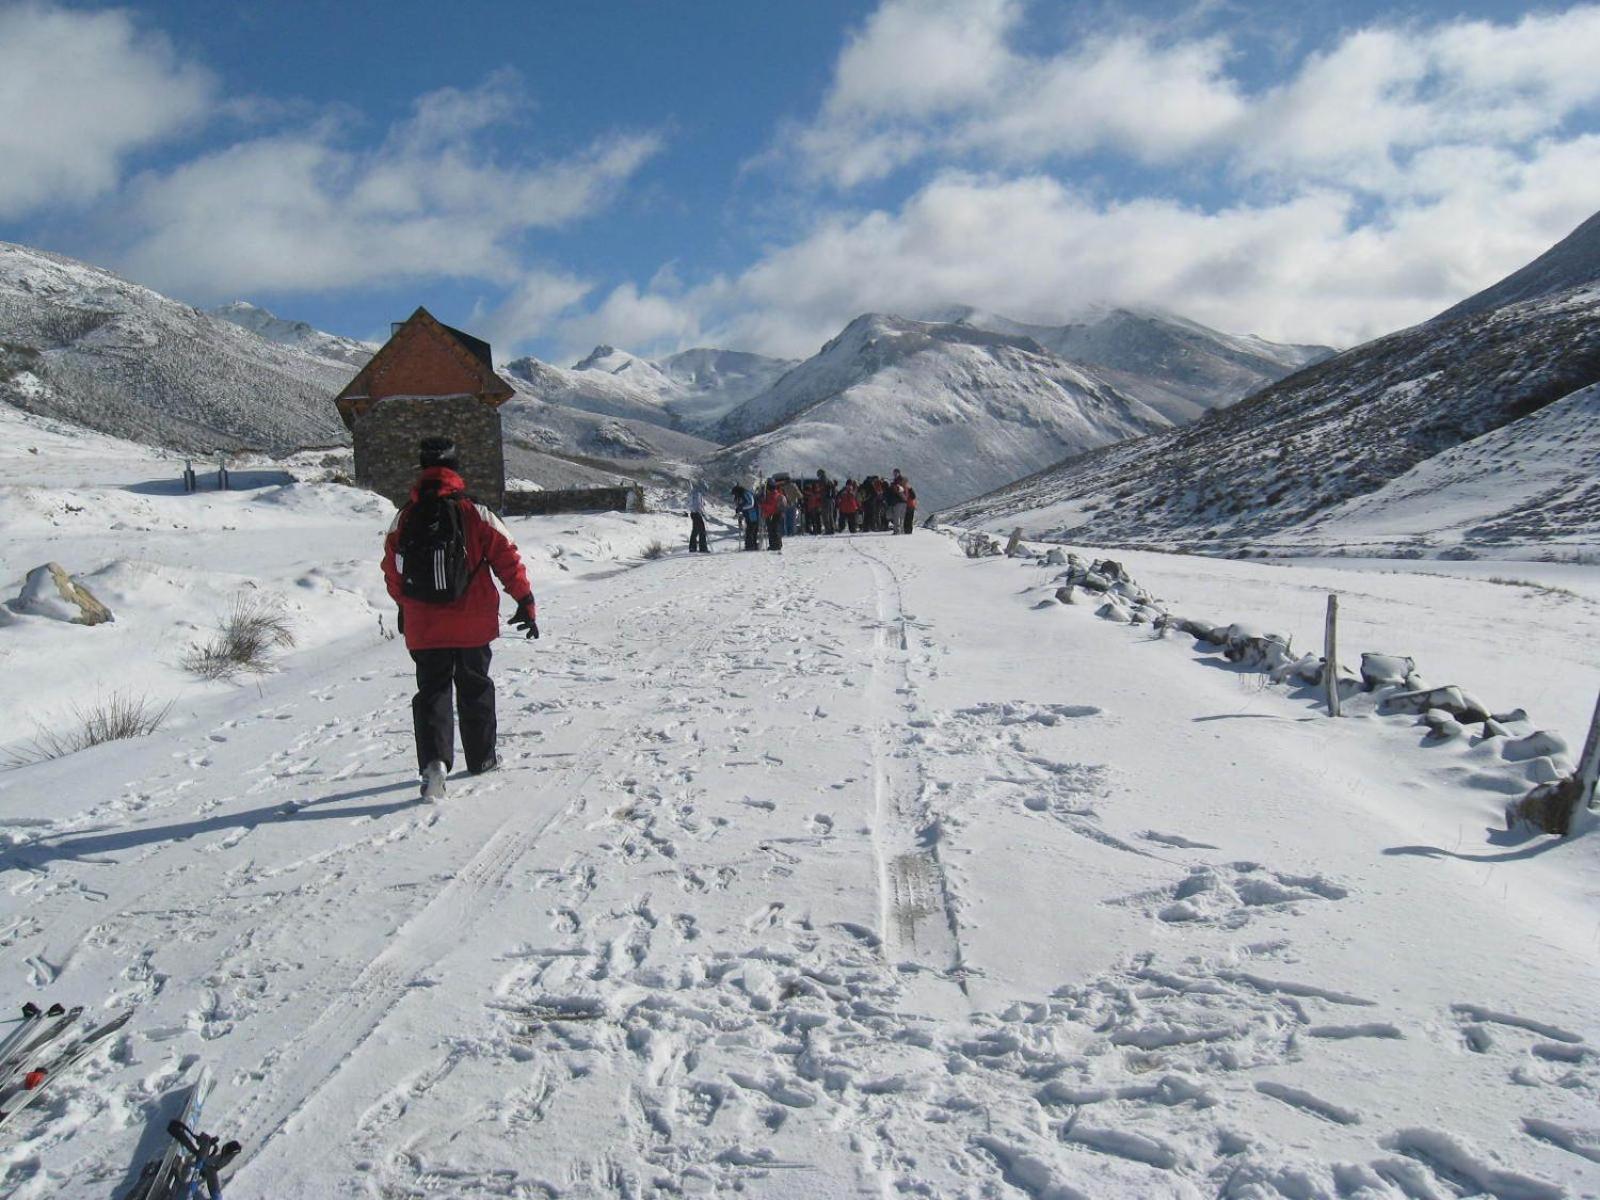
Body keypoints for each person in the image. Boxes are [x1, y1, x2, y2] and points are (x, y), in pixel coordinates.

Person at [383, 437, 538, 801]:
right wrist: (525, 600)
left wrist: (407, 606)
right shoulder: (475, 512)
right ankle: (482, 758)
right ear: (456, 467)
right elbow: (507, 559)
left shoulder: (405, 516)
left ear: (422, 468)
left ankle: (434, 763)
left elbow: (392, 570)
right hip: (472, 622)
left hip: (425, 625)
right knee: (475, 686)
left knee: (433, 691)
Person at [732, 482, 760, 550]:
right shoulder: (742, 495)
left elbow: (751, 504)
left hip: (753, 515)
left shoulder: (746, 493)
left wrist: (741, 508)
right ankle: (752, 546)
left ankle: (750, 546)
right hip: (749, 515)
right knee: (750, 531)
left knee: (751, 531)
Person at [759, 479, 785, 551]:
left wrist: (762, 505)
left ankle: (776, 545)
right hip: (774, 514)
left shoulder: (773, 495)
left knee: (773, 530)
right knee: (773, 530)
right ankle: (775, 545)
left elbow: (771, 506)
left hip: (773, 514)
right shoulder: (775, 494)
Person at [688, 480, 710, 553]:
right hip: (697, 513)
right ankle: (703, 548)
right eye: (705, 489)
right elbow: (698, 505)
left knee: (695, 530)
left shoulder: (695, 492)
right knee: (702, 531)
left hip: (694, 513)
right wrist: (702, 512)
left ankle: (692, 548)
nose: (706, 491)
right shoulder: (698, 493)